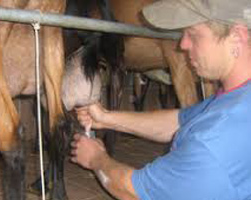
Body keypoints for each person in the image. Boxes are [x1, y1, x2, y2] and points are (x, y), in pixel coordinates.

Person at [70, 0, 251, 199]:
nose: (183, 44)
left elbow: (135, 191)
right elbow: (179, 121)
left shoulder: (213, 142)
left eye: (192, 33)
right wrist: (106, 118)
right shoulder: (236, 99)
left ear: (236, 37)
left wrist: (96, 159)